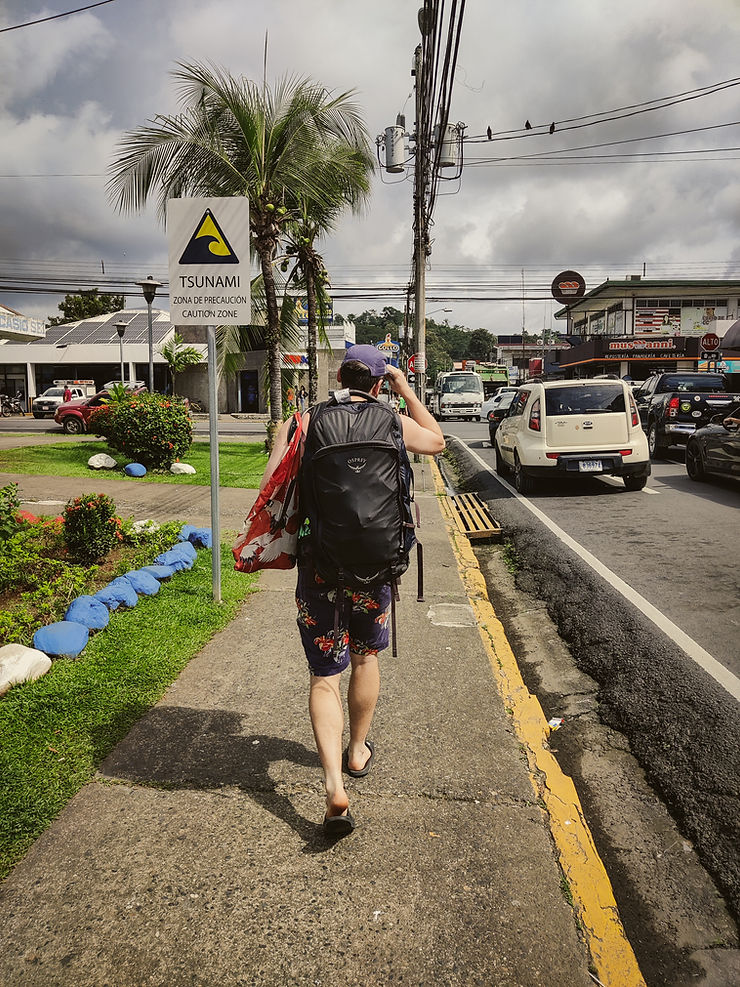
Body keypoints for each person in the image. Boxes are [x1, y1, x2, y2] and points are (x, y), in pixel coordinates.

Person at [259, 344, 445, 836]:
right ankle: (358, 751)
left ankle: (333, 787)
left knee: (325, 678)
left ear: (337, 376)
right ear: (380, 384)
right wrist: (405, 389)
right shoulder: (391, 420)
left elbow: (270, 487)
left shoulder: (302, 423)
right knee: (366, 659)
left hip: (319, 568)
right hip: (377, 568)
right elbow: (437, 442)